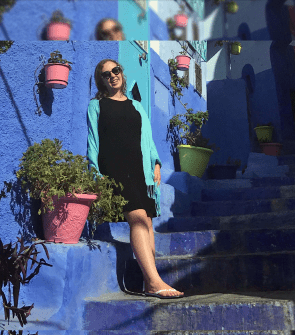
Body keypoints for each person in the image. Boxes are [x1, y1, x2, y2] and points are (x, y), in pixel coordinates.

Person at [87, 59, 184, 299]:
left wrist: (157, 163)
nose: (112, 76)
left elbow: (148, 140)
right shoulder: (96, 106)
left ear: (122, 72)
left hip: (140, 170)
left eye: (115, 70)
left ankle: (147, 279)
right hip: (115, 171)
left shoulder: (137, 106)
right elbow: (93, 144)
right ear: (101, 80)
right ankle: (153, 282)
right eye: (106, 74)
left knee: (148, 223)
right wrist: (96, 175)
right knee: (139, 219)